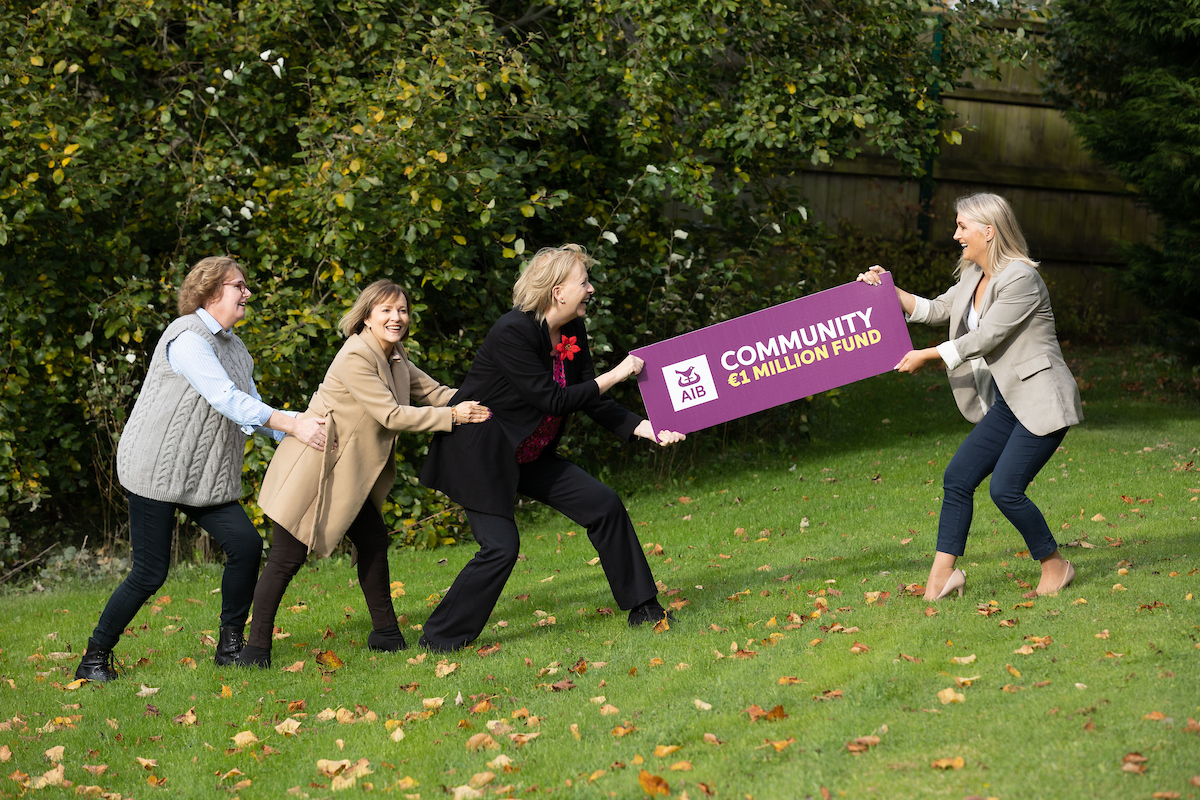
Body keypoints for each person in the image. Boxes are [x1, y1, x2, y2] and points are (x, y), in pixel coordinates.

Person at [418, 244, 686, 652]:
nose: (590, 289)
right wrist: (618, 373)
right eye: (584, 282)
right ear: (559, 291)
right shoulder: (512, 331)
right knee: (501, 548)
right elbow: (553, 399)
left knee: (604, 504)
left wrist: (645, 429)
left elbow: (590, 398)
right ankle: (440, 638)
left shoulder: (573, 331)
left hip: (530, 454)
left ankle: (644, 609)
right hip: (480, 457)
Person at [75, 256, 327, 682]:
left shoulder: (236, 348)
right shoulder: (187, 337)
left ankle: (230, 646)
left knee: (245, 546)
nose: (247, 294)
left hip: (203, 477)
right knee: (150, 572)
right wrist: (293, 424)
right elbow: (225, 398)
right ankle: (95, 656)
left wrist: (305, 429)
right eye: (239, 287)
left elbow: (249, 412)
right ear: (211, 293)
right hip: (155, 470)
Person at [235, 280, 489, 667]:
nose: (396, 318)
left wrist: (489, 400)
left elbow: (434, 392)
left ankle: (385, 634)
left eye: (402, 310)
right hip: (315, 467)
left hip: (347, 474)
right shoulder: (356, 355)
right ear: (367, 316)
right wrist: (454, 418)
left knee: (372, 542)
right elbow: (391, 414)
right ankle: (255, 651)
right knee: (286, 559)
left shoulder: (395, 354)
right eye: (386, 310)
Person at [857, 193, 1083, 600]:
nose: (956, 234)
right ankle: (941, 579)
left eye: (963, 226)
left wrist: (927, 355)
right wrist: (887, 289)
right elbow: (937, 309)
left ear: (988, 231)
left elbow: (986, 336)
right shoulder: (972, 275)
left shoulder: (1021, 278)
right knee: (958, 477)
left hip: (1041, 399)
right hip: (1009, 403)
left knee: (1005, 490)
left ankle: (1056, 566)